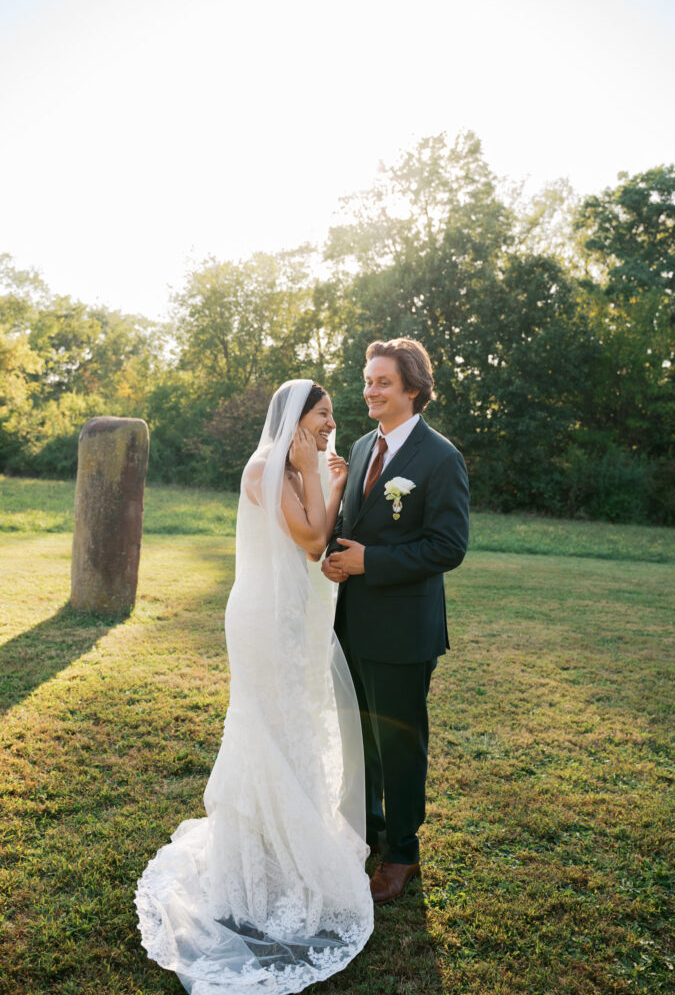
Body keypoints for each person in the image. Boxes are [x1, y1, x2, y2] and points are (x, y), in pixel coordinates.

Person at [136, 381, 373, 995]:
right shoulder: (268, 466)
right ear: (296, 417)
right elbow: (312, 539)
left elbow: (313, 537)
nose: (331, 426)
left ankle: (285, 848)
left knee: (294, 723)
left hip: (289, 618)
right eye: (323, 415)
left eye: (332, 417)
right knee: (267, 727)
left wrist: (324, 476)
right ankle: (257, 866)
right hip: (264, 621)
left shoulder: (298, 466)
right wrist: (324, 479)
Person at [322, 338, 469, 906]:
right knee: (361, 738)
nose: (369, 391)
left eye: (382, 382)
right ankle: (368, 830)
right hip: (352, 623)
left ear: (413, 388)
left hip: (404, 630)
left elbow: (448, 547)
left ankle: (402, 853)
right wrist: (335, 557)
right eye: (367, 380)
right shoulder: (361, 447)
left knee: (400, 742)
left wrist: (371, 563)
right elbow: (354, 523)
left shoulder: (440, 458)